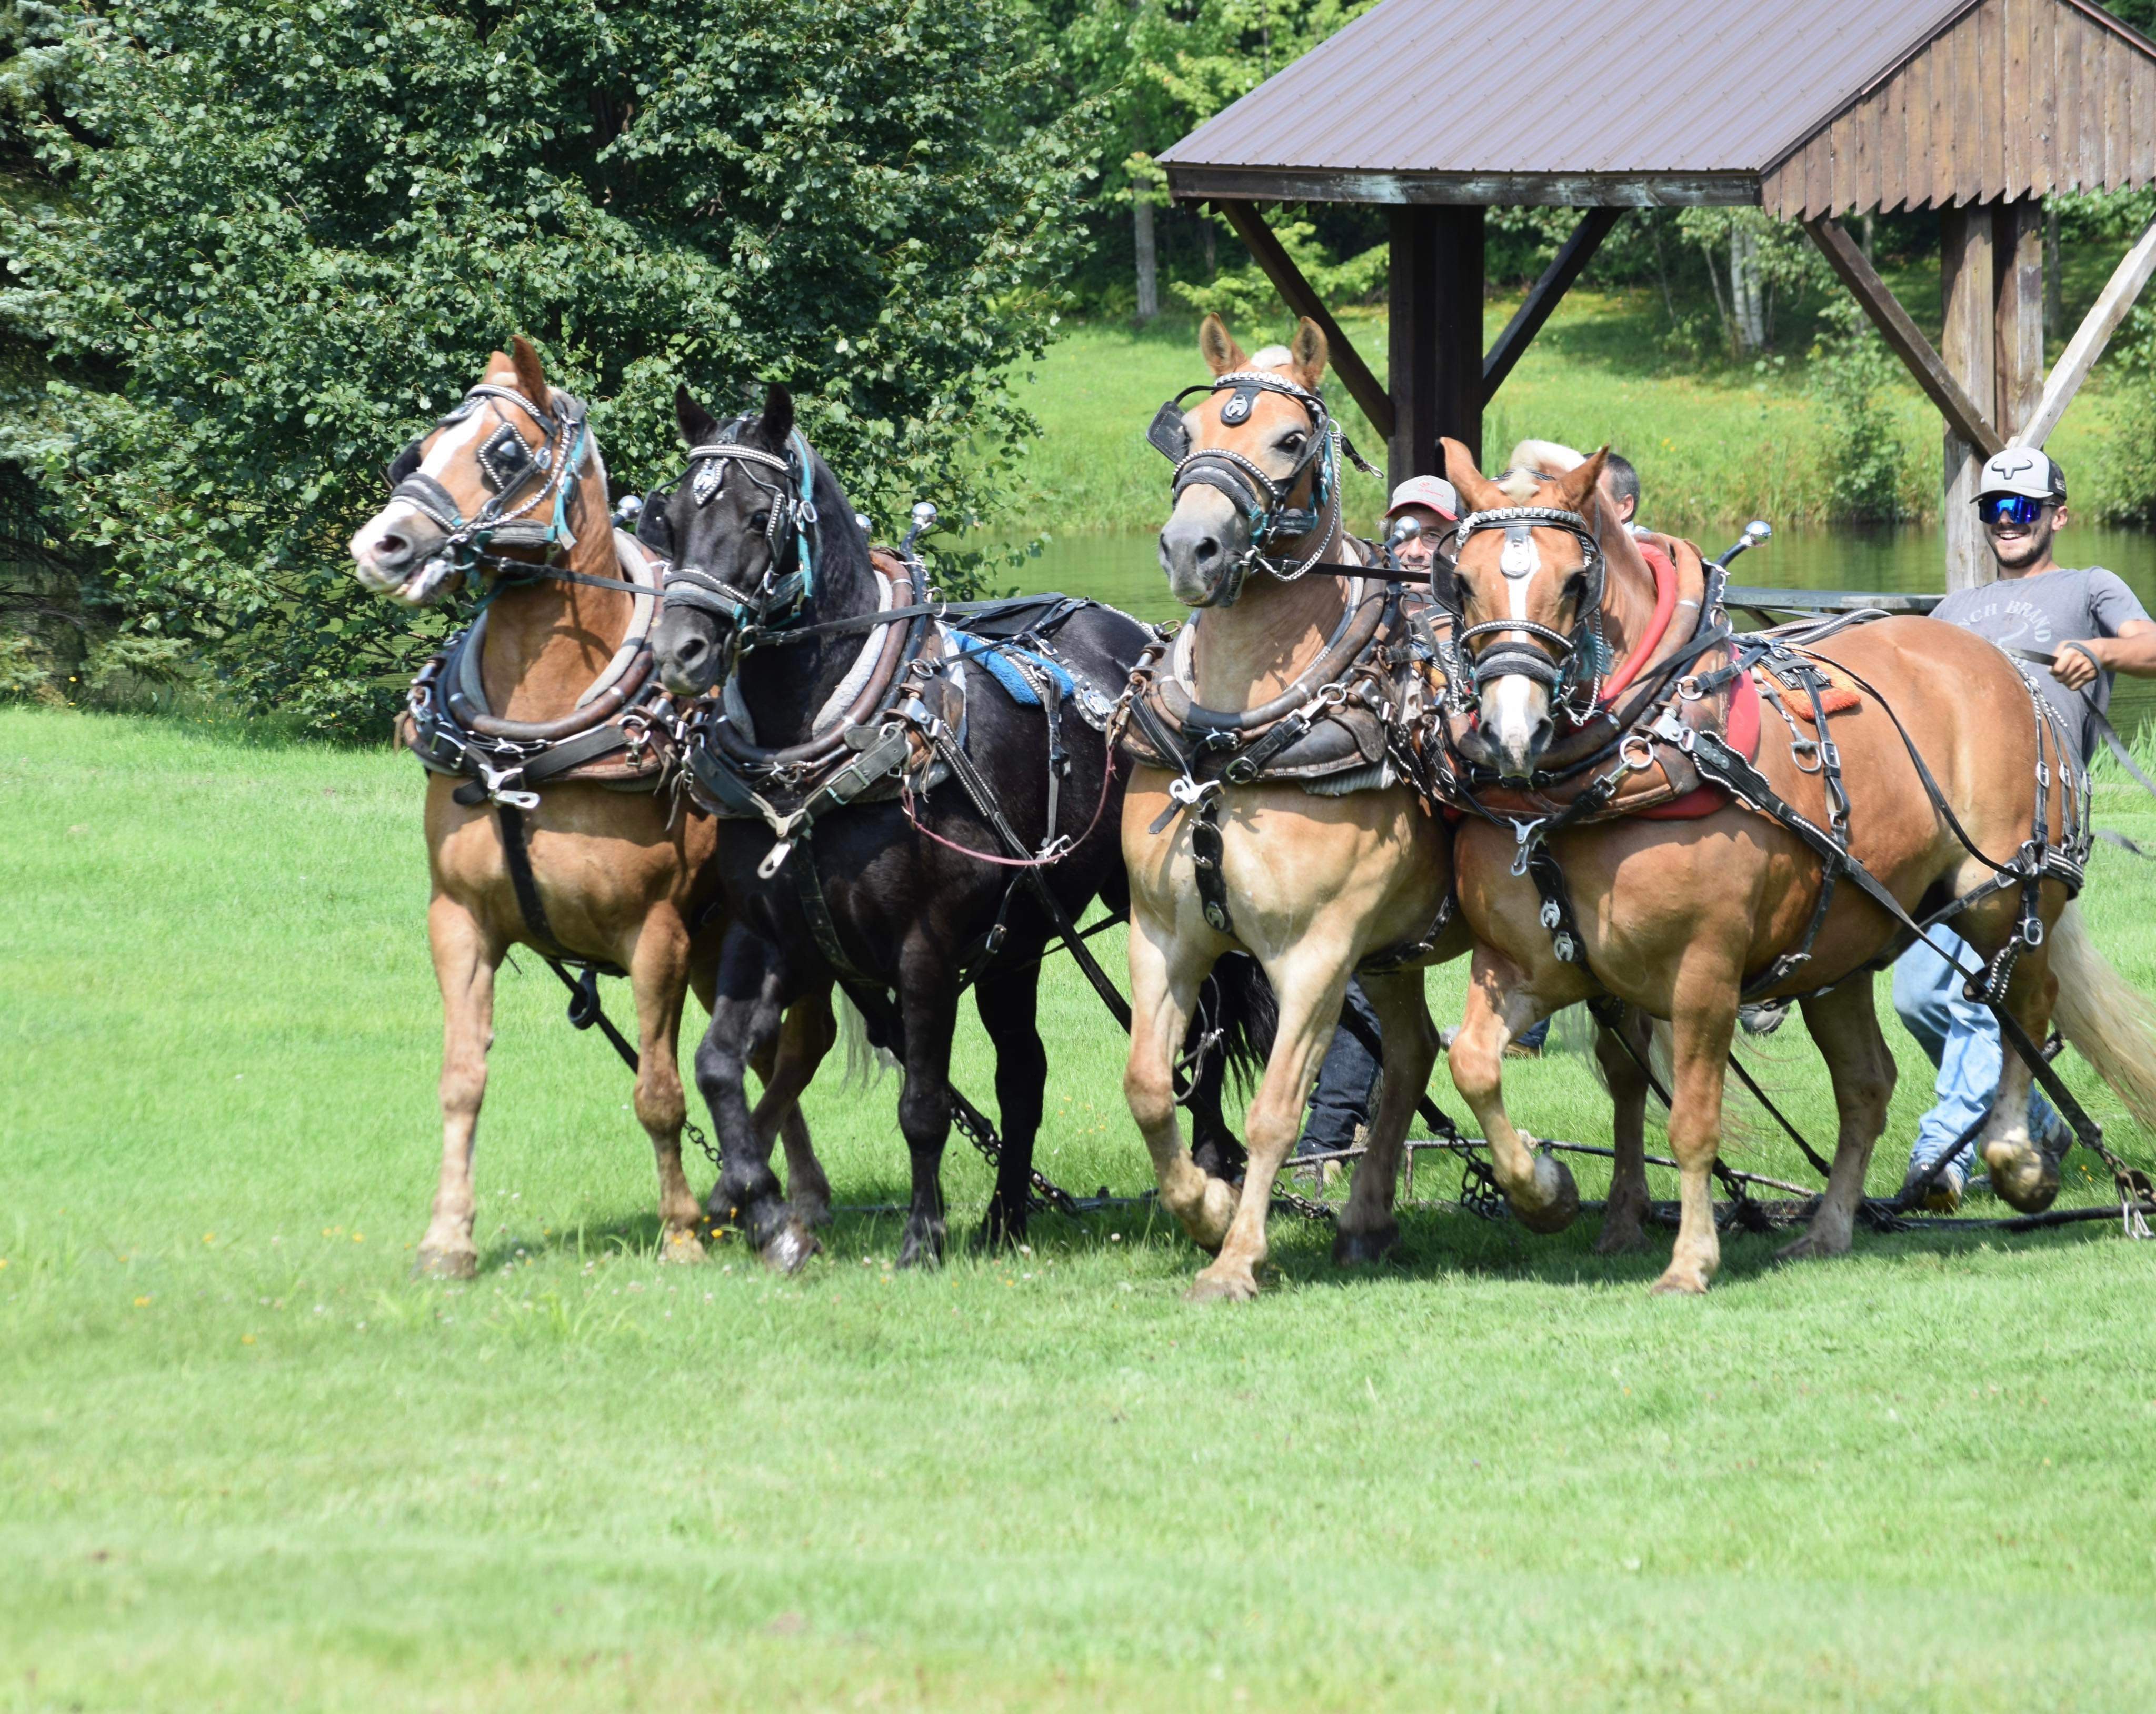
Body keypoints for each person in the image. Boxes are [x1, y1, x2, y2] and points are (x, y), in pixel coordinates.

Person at [1895, 447, 2156, 1209]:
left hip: (2034, 821)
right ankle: (2035, 1113)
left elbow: (2151, 642)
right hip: (1943, 826)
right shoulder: (1953, 613)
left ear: (2057, 516)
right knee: (1917, 998)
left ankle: (1941, 1156)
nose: (2008, 524)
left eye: (2023, 509)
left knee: (1984, 991)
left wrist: (2097, 651)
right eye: (1994, 511)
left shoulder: (2088, 587)